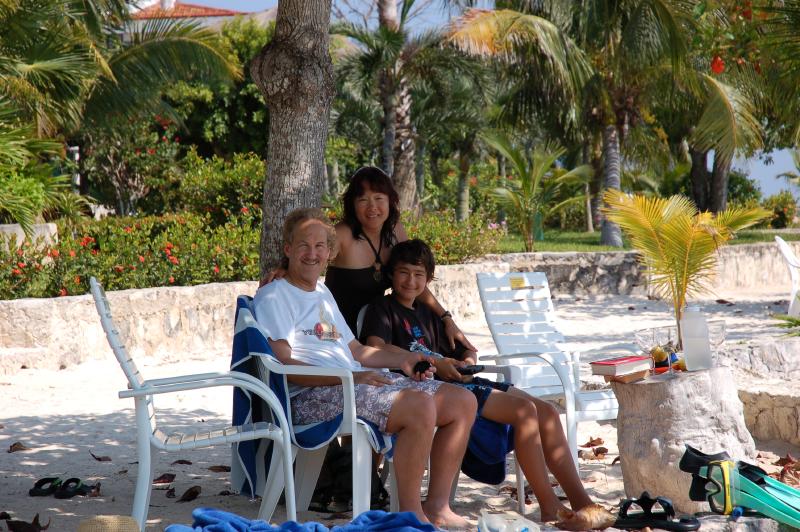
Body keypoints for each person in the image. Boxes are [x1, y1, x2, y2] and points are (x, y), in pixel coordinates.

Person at [360, 239, 616, 527]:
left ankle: (581, 500)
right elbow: (376, 348)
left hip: (462, 380)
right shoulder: (382, 308)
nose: (410, 281)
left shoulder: (429, 312)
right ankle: (549, 506)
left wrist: (466, 362)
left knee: (546, 411)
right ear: (391, 274)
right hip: (433, 389)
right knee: (524, 412)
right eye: (404, 273)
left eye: (419, 275)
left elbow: (467, 350)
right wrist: (432, 362)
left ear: (428, 279)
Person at [252, 208, 477, 528]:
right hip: (312, 396)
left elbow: (355, 349)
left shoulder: (322, 294)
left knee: (462, 402)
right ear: (288, 249)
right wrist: (353, 376)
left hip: (353, 383)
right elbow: (283, 366)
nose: (312, 253)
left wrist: (403, 359)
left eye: (320, 246)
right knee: (417, 405)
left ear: (329, 253)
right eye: (303, 245)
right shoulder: (274, 296)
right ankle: (410, 516)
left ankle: (438, 505)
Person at [263, 166, 476, 352]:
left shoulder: (395, 231)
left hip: (380, 328)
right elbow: (313, 257)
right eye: (363, 200)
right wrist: (286, 268)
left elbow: (413, 280)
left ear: (391, 201)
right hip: (342, 334)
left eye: (379, 199)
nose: (372, 207)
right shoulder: (343, 235)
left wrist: (446, 318)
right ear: (352, 205)